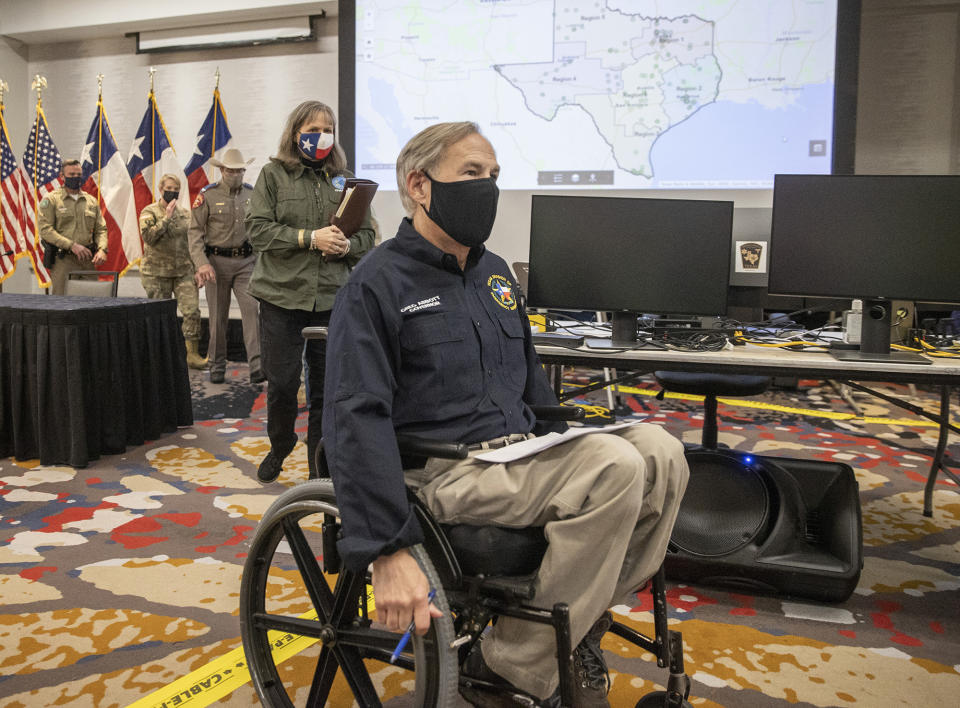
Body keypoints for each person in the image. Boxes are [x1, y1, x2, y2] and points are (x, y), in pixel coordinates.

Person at [322, 122, 690, 707]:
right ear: (419, 186)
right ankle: (513, 667)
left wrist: (566, 437)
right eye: (472, 174)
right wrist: (385, 549)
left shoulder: (494, 274)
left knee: (663, 453)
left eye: (494, 176)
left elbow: (530, 387)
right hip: (444, 472)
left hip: (517, 455)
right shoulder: (377, 283)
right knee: (615, 468)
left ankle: (565, 627)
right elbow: (353, 420)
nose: (487, 188)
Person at [246, 100, 376, 482]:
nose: (320, 136)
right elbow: (257, 231)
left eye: (327, 129)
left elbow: (367, 235)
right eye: (312, 129)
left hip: (333, 299)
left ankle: (318, 465)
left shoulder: (346, 180)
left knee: (326, 387)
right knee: (283, 381)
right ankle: (280, 444)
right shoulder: (273, 175)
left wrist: (347, 246)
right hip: (281, 297)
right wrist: (309, 238)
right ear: (295, 133)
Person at [188, 148, 262, 385]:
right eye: (231, 170)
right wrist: (201, 264)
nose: (236, 174)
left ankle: (257, 366)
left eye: (240, 170)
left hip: (246, 263)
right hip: (216, 265)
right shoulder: (207, 195)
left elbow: (260, 230)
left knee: (252, 311)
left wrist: (261, 262)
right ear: (222, 170)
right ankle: (217, 366)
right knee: (218, 318)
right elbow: (195, 233)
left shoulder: (253, 195)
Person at [139, 173, 206, 370]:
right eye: (169, 188)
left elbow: (192, 243)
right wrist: (166, 218)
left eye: (176, 189)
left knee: (192, 311)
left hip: (183, 272)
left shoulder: (186, 214)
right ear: (161, 190)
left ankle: (191, 354)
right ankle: (159, 356)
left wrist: (197, 269)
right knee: (159, 316)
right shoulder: (149, 212)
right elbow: (149, 237)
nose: (173, 192)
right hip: (156, 273)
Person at [37, 159, 107, 295]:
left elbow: (101, 229)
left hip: (87, 260)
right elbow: (45, 230)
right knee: (62, 304)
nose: (76, 178)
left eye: (78, 175)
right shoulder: (51, 200)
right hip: (64, 260)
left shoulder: (90, 201)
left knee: (92, 301)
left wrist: (103, 249)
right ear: (62, 176)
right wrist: (71, 245)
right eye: (72, 175)